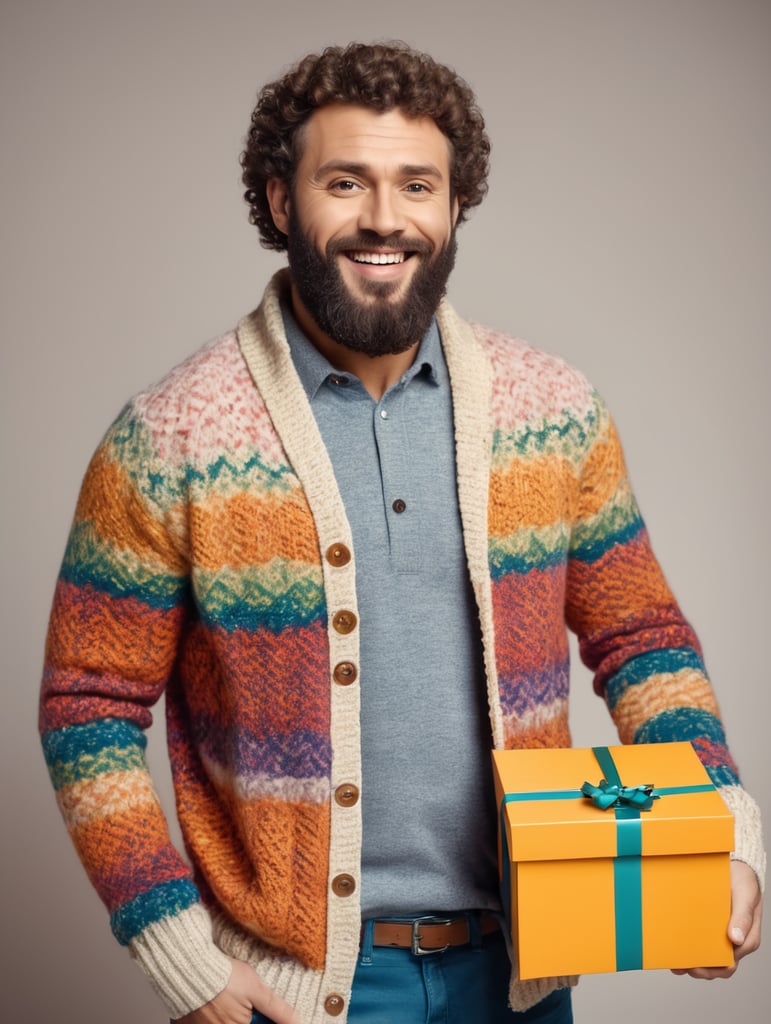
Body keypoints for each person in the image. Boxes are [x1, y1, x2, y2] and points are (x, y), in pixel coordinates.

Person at [39, 41, 764, 1024]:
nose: (385, 217)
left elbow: (643, 639)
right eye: (345, 182)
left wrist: (718, 828)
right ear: (281, 200)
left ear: (454, 206)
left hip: (523, 972)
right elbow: (87, 705)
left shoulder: (552, 411)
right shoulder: (171, 435)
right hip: (296, 995)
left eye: (417, 184)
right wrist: (172, 942)